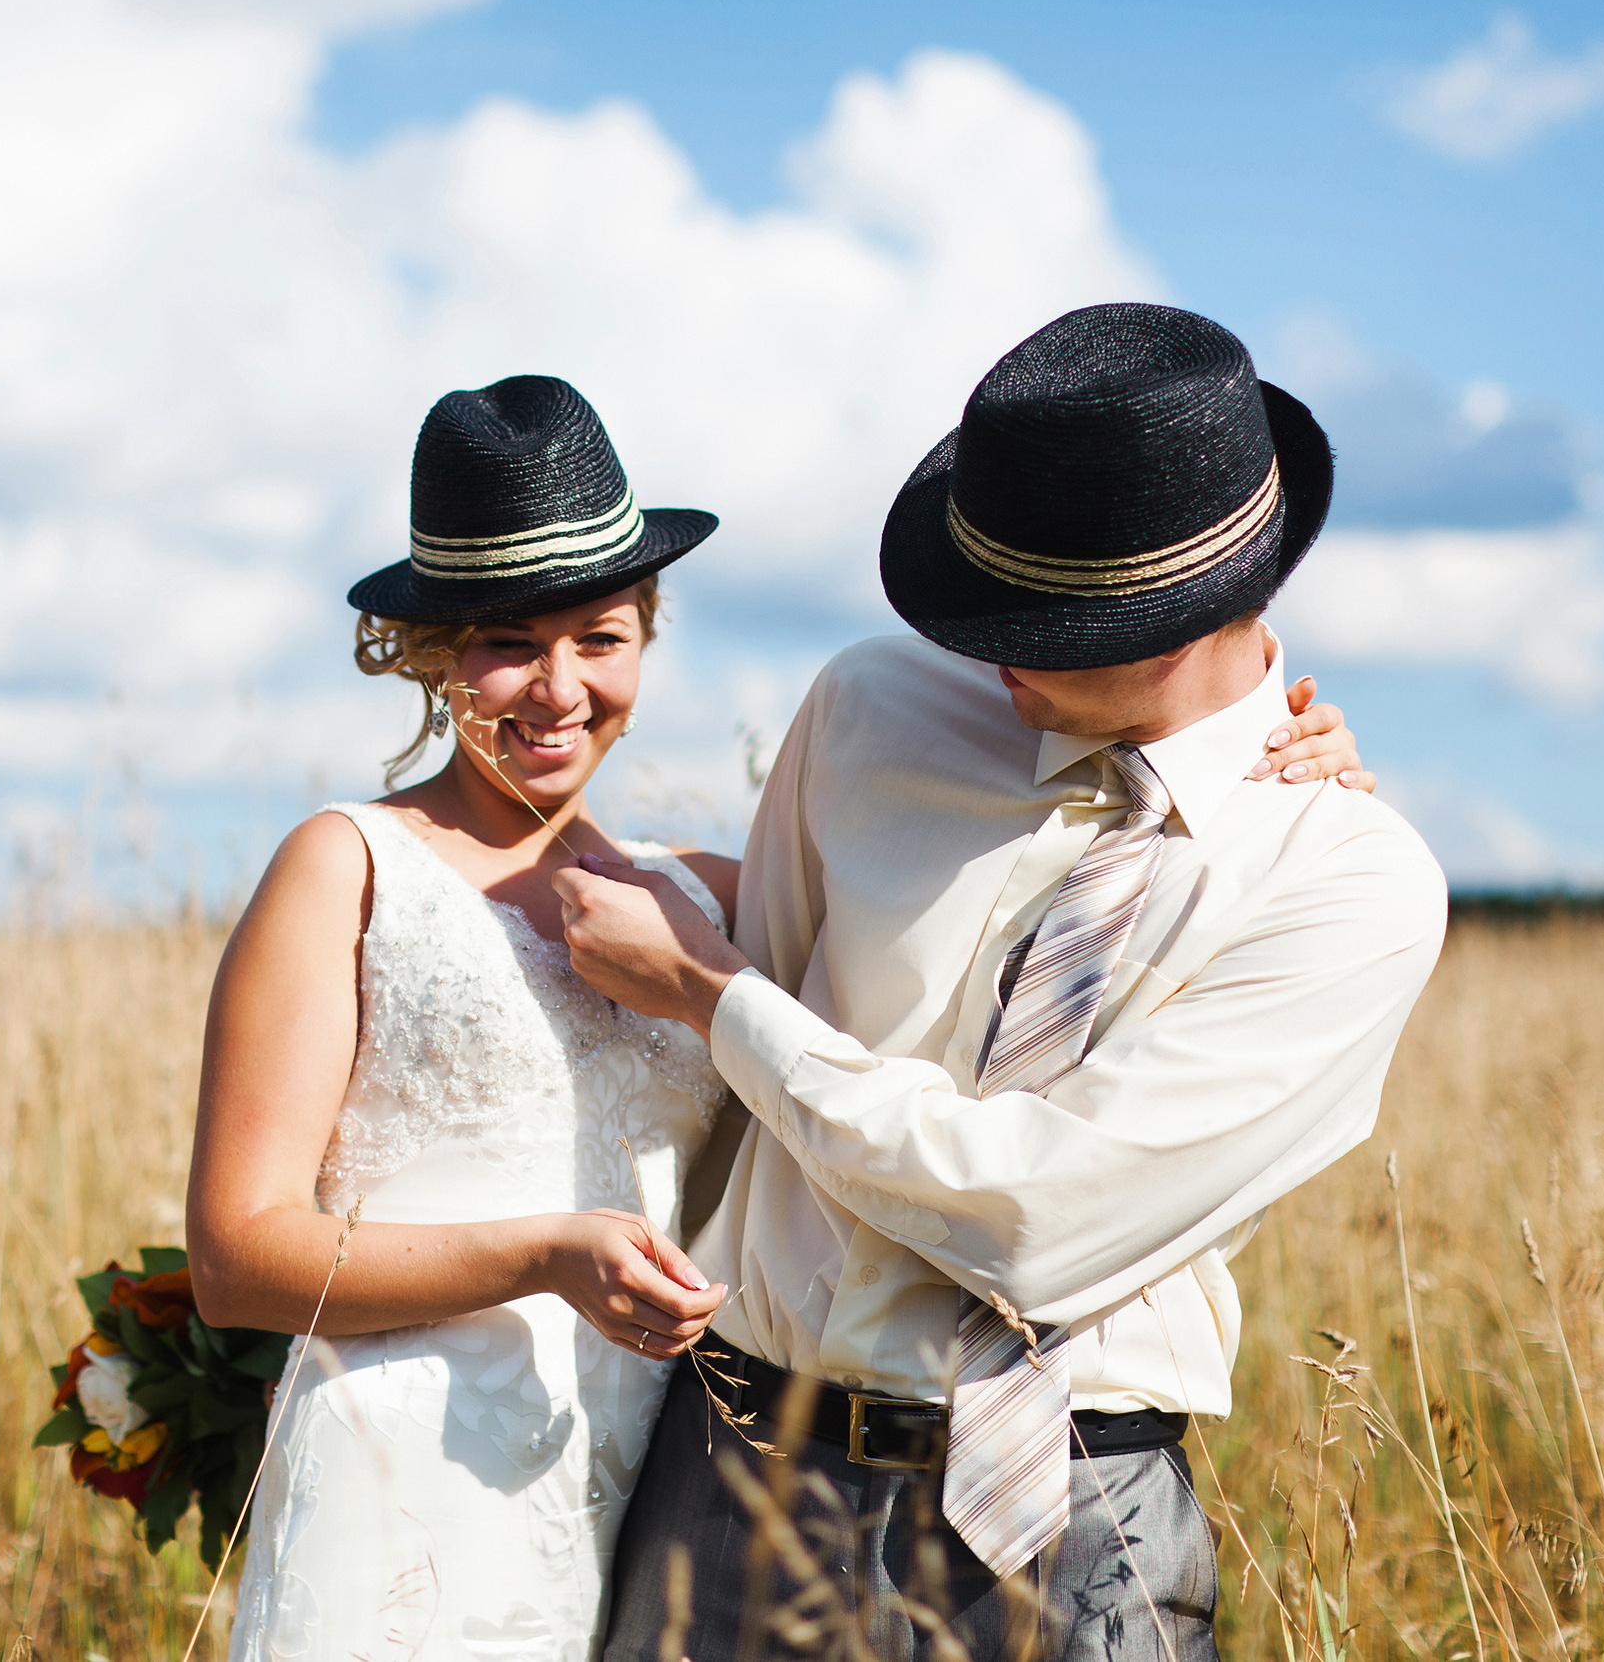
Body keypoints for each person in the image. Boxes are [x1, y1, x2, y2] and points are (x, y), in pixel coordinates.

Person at [190, 369, 1374, 1660]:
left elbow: (847, 1049)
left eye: (599, 635)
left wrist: (1262, 750)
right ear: (428, 653)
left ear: (648, 631)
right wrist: (544, 1253)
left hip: (632, 1464)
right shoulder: (348, 864)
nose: (557, 687)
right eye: (504, 643)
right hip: (410, 1472)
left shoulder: (698, 898)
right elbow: (237, 1254)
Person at [553, 304, 1451, 1660]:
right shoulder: (868, 710)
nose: (987, 650)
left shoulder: (1347, 882)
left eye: (1037, 620)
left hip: (1070, 1526)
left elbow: (1036, 1221)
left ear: (1189, 616)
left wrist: (714, 993)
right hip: (735, 1463)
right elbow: (750, 1079)